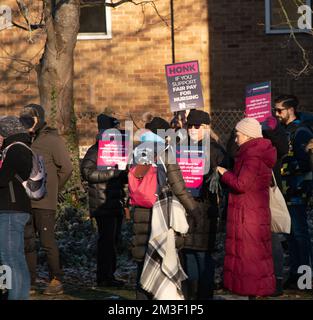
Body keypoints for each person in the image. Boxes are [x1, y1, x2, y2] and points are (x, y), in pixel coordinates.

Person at [130, 116, 201, 300]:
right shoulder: (165, 151)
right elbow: (178, 186)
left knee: (142, 263)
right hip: (161, 214)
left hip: (140, 212)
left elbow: (131, 183)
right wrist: (193, 210)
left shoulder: (137, 150)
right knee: (161, 258)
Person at [217, 117, 276, 297]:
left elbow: (242, 184)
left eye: (238, 135)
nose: (236, 139)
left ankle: (252, 293)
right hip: (252, 212)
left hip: (247, 215)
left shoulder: (252, 155)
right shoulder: (254, 152)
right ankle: (254, 292)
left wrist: (224, 173)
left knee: (249, 260)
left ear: (248, 136)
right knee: (254, 258)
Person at [19, 104, 73, 295]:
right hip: (25, 201)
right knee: (28, 242)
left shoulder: (52, 140)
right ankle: (30, 282)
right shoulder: (23, 141)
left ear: (39, 118)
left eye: (30, 118)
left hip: (44, 201)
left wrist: (52, 188)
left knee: (47, 241)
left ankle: (56, 279)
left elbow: (67, 168)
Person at [180, 109, 226, 300]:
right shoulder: (180, 146)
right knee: (189, 253)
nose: (192, 129)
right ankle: (191, 296)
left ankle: (204, 296)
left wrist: (213, 176)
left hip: (206, 209)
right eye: (189, 125)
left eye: (196, 126)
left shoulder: (216, 150)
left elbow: (226, 179)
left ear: (206, 128)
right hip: (185, 207)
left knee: (203, 255)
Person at [81, 113, 127, 287]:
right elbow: (87, 172)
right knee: (106, 242)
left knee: (113, 241)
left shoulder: (115, 150)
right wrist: (112, 173)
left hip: (115, 202)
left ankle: (110, 275)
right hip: (101, 204)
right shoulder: (95, 150)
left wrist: (124, 173)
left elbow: (120, 177)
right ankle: (104, 277)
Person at [273, 95, 313, 290]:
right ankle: (295, 273)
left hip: (297, 190)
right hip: (285, 191)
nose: (276, 114)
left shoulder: (301, 132)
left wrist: (282, 168)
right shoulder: (283, 131)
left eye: (279, 110)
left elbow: (306, 163)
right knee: (290, 235)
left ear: (290, 110)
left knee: (300, 234)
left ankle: (305, 278)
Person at [0, 116, 33, 300]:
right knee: (15, 259)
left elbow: (3, 179)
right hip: (13, 209)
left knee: (11, 258)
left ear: (6, 133)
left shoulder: (15, 150)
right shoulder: (19, 148)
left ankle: (17, 296)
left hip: (11, 209)